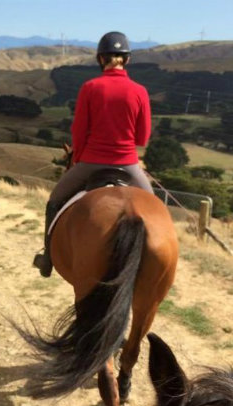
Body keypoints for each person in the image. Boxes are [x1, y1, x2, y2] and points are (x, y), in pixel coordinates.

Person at [33, 31, 154, 277]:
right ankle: (154, 265)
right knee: (155, 210)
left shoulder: (90, 87)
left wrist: (78, 156)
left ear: (100, 59)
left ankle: (47, 259)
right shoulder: (140, 91)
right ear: (127, 60)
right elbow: (142, 137)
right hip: (129, 165)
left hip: (91, 163)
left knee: (55, 201)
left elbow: (78, 130)